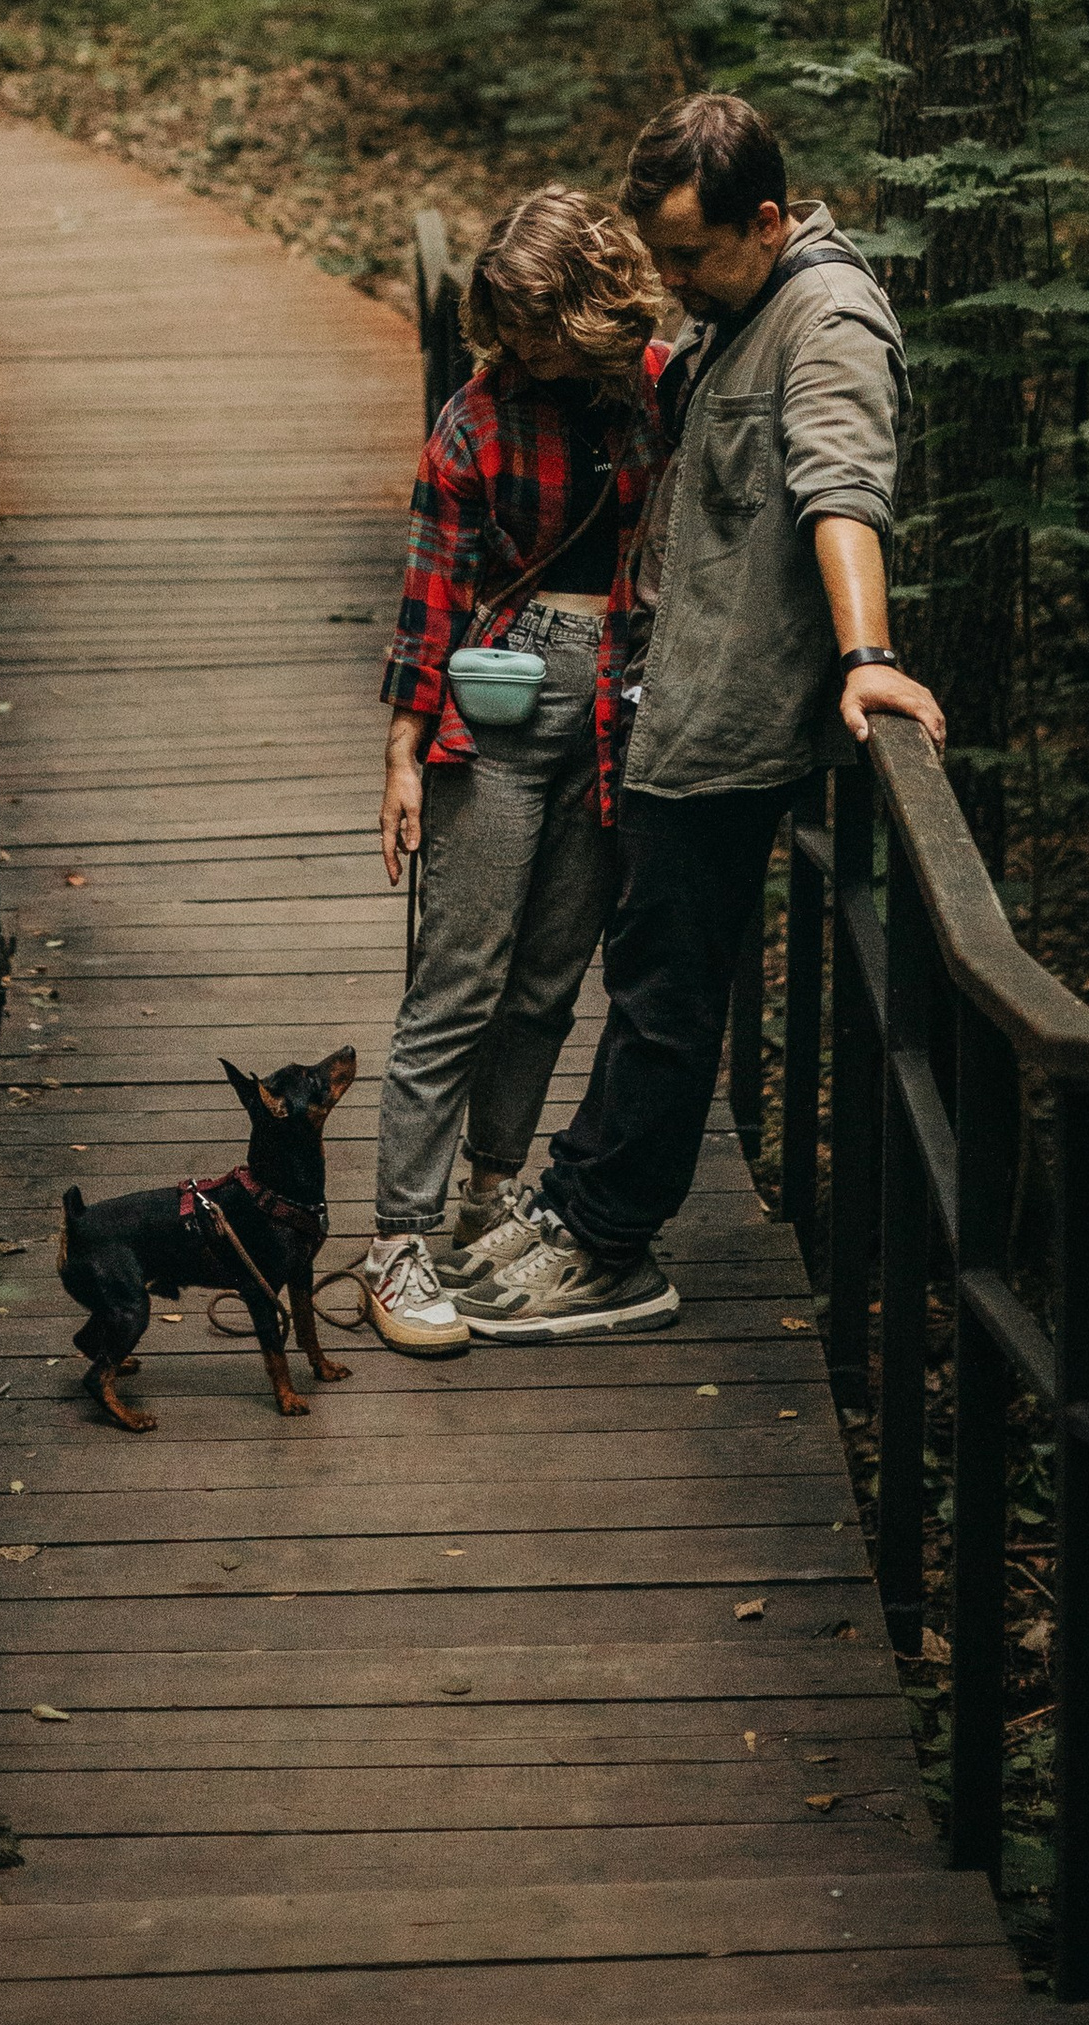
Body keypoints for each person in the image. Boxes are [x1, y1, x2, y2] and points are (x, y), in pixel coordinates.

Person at [454, 91, 945, 1341]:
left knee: (670, 990)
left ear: (768, 219)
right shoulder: (740, 309)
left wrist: (870, 655)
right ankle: (577, 1200)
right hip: (672, 700)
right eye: (658, 252)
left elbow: (842, 490)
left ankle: (611, 1247)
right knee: (649, 972)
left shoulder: (822, 321)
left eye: (686, 254)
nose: (667, 279)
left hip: (730, 721)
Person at [361, 187, 670, 1356]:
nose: (525, 347)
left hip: (617, 707)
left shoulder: (659, 385)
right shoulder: (474, 417)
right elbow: (428, 589)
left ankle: (490, 1198)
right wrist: (400, 752)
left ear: (594, 304)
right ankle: (395, 1235)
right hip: (496, 705)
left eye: (543, 322)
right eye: (507, 323)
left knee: (549, 981)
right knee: (458, 979)